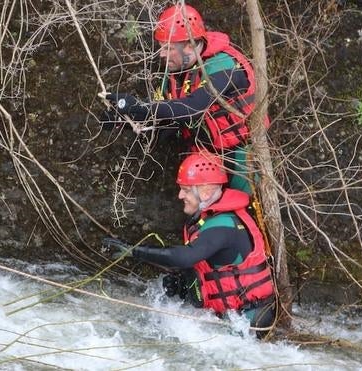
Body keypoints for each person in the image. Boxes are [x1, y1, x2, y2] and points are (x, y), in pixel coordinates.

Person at [102, 3, 269, 194]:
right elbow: (165, 115)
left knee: (243, 215)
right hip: (203, 164)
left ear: (190, 45)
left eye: (168, 48)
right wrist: (123, 119)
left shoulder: (223, 66)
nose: (161, 54)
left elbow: (193, 108)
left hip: (238, 161)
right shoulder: (175, 72)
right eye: (161, 47)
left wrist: (139, 106)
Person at [105, 151, 275, 338]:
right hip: (232, 318)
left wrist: (133, 251)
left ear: (206, 192)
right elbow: (209, 268)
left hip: (248, 324)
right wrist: (183, 285)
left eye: (185, 190)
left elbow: (184, 257)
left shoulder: (224, 225)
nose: (179, 195)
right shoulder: (212, 217)